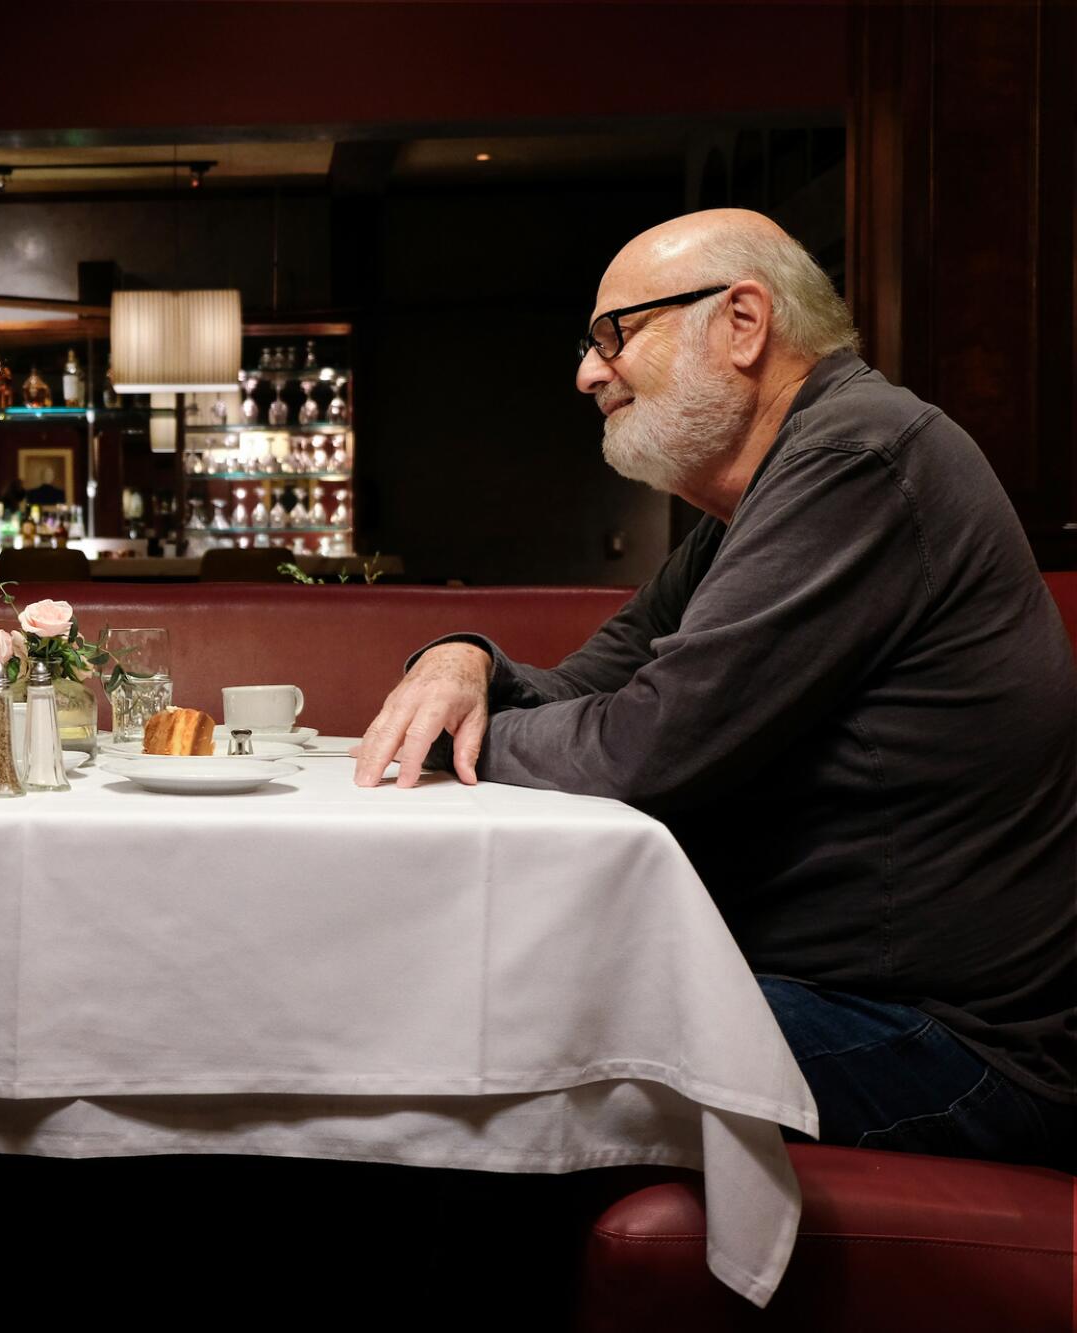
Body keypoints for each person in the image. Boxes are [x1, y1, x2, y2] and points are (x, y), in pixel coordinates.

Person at [354, 209, 1075, 1169]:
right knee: (471, 1014)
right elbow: (581, 690)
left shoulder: (858, 460)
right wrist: (462, 659)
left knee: (490, 1045)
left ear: (742, 322)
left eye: (616, 334)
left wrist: (459, 739)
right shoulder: (755, 503)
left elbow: (640, 748)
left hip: (954, 1046)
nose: (587, 372)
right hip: (836, 995)